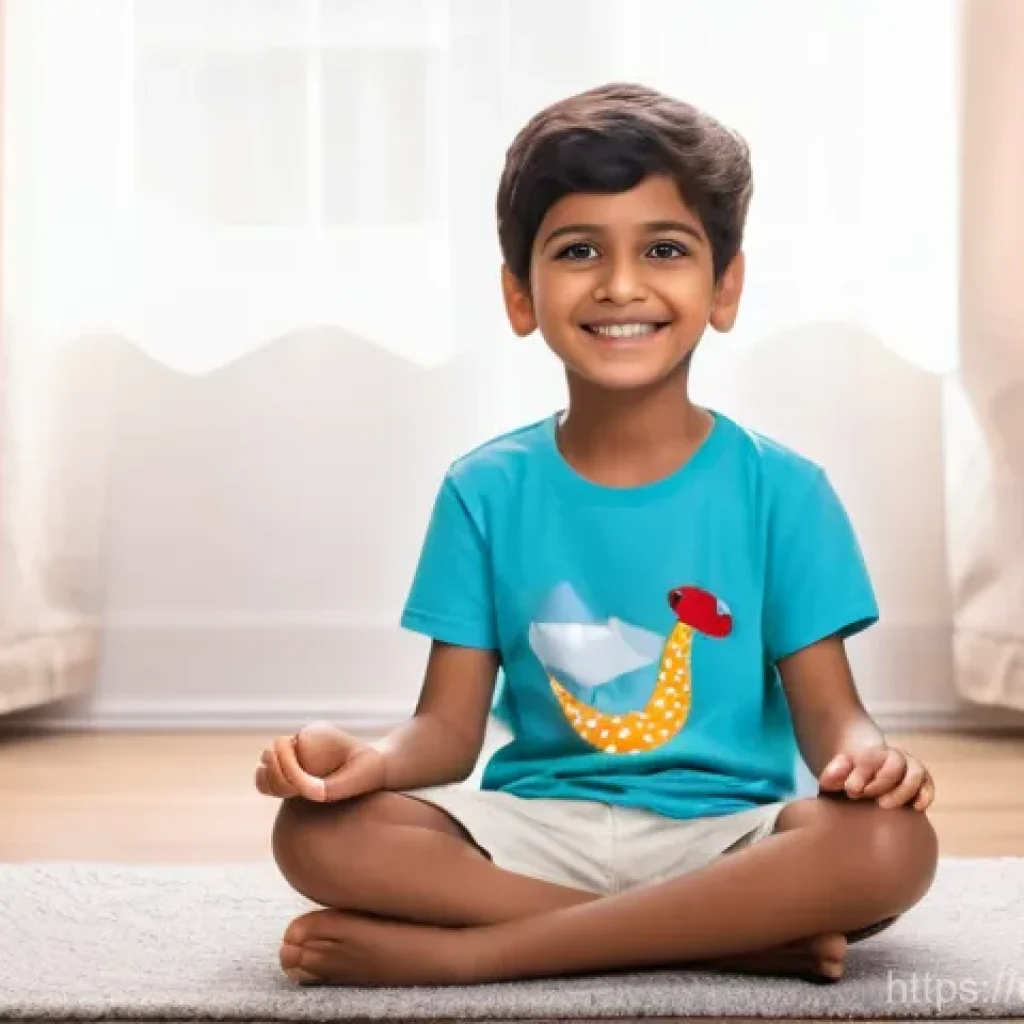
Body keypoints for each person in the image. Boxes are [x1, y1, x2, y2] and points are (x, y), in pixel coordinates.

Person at [255, 81, 939, 988]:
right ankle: (726, 943)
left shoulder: (785, 491)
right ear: (520, 294)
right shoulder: (484, 490)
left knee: (891, 844)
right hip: (540, 828)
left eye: (665, 249)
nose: (621, 284)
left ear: (724, 286)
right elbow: (447, 732)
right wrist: (369, 760)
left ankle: (484, 952)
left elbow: (829, 716)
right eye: (579, 251)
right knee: (316, 832)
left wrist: (870, 759)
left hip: (728, 837)